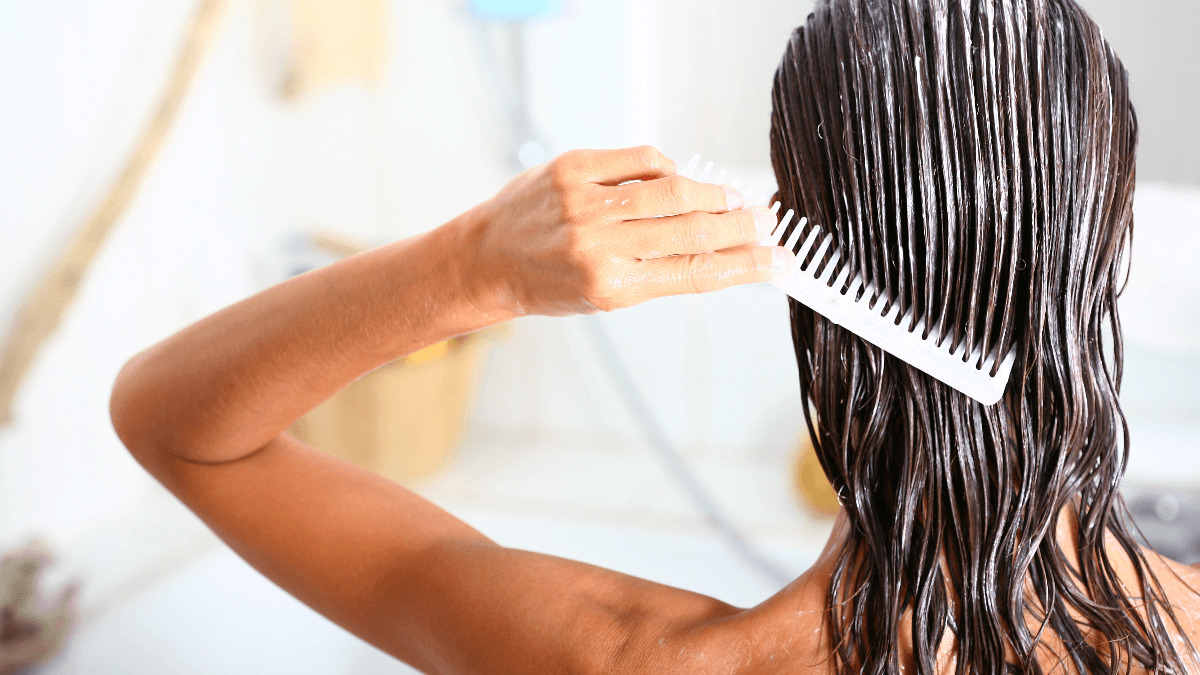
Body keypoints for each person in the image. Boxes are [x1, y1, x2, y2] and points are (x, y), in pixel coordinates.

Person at [111, 1, 1200, 672]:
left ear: (805, 247)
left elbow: (176, 424)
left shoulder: (616, 659)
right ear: (1112, 230)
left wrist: (467, 262)